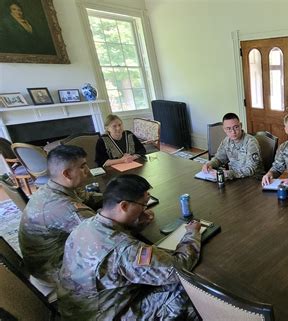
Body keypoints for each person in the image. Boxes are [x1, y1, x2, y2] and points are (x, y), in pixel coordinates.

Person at [58, 174, 201, 320]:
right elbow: (178, 268)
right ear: (124, 206)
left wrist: (136, 223)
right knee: (190, 288)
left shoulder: (87, 224)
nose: (145, 210)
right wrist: (192, 234)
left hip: (78, 308)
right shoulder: (125, 249)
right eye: (143, 204)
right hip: (104, 314)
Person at [19, 145, 102, 287]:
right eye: (82, 167)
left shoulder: (53, 186)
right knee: (124, 260)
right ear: (67, 174)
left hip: (47, 259)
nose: (88, 171)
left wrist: (114, 198)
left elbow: (87, 197)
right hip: (53, 270)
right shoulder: (63, 207)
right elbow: (104, 235)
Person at [202, 112, 262, 179]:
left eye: (236, 127)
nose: (233, 132)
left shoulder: (251, 142)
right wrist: (210, 164)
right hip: (234, 178)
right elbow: (219, 158)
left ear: (241, 125)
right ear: (224, 129)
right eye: (229, 128)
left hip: (253, 179)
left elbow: (251, 169)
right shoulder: (226, 141)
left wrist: (228, 173)